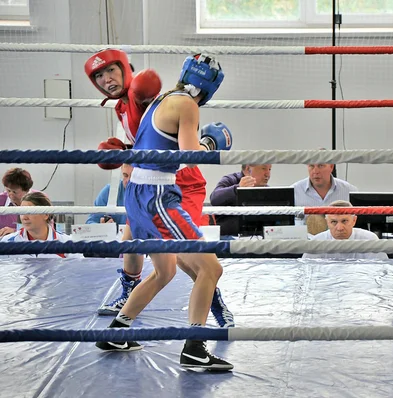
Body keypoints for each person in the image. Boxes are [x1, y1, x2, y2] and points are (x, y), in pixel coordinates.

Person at [94, 53, 233, 371]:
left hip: (136, 197)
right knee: (211, 269)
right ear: (210, 87)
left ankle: (118, 331)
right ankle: (195, 348)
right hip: (157, 197)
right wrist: (211, 143)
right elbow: (190, 155)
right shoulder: (187, 105)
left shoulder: (159, 100)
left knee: (165, 271)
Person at [302, 200, 388, 260]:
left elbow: (382, 272)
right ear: (327, 222)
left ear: (354, 221)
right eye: (334, 222)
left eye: (344, 221)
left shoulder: (369, 239)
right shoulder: (316, 243)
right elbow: (306, 274)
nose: (340, 228)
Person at [0, 192, 76, 258]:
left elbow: (78, 272)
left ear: (46, 214)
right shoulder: (7, 242)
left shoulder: (67, 243)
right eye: (22, 211)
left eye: (30, 212)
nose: (24, 217)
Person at [209, 164, 272, 235]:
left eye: (269, 169)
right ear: (248, 169)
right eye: (263, 168)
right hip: (229, 238)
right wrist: (237, 188)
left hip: (258, 237)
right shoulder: (231, 180)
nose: (268, 174)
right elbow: (214, 199)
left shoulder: (267, 190)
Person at [292, 162, 358, 215]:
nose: (315, 171)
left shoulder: (349, 191)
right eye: (311, 166)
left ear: (331, 167)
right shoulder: (294, 191)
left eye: (320, 166)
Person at [0, 168, 35, 237]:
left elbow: (47, 231)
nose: (10, 195)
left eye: (14, 192)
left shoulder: (40, 200)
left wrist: (16, 232)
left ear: (26, 190)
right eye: (8, 190)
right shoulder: (1, 199)